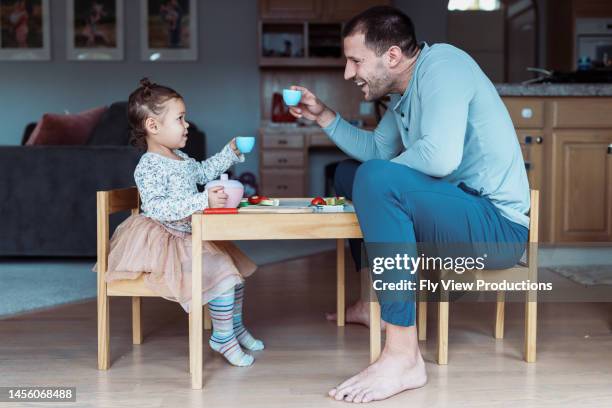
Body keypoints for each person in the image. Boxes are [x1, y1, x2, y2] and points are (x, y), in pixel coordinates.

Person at [289, 5, 529, 403]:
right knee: (352, 172)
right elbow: (375, 151)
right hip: (457, 212)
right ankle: (373, 302)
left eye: (355, 61)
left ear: (393, 56)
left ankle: (403, 356)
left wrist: (379, 183)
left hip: (497, 229)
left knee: (375, 179)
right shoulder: (404, 93)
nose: (349, 74)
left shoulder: (444, 65)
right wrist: (323, 116)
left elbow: (440, 158)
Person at [104, 78, 264, 367]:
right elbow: (159, 208)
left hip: (191, 233)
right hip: (166, 240)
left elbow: (202, 173)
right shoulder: (150, 165)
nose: (187, 124)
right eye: (179, 118)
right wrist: (203, 201)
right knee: (224, 276)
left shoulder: (180, 157)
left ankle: (234, 327)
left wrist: (229, 153)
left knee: (236, 278)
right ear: (153, 126)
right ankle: (222, 338)